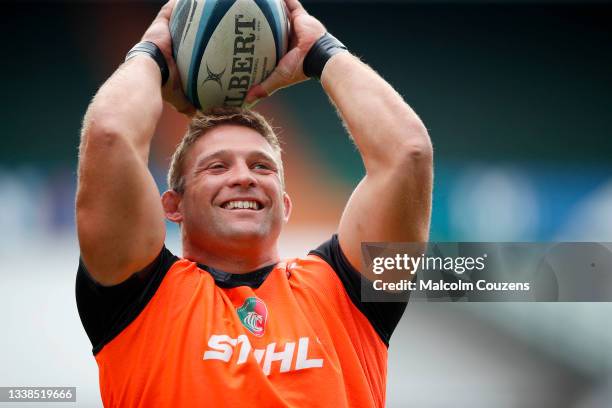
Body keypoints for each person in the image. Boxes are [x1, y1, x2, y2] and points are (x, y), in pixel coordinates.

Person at [75, 0, 432, 406]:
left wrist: (322, 51)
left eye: (262, 167)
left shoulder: (344, 293)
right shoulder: (140, 300)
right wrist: (152, 52)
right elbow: (109, 136)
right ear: (173, 206)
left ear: (285, 204)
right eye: (216, 167)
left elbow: (408, 155)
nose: (243, 176)